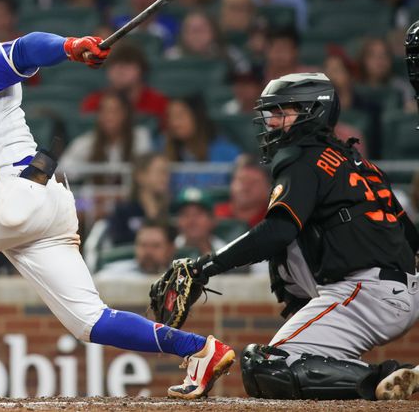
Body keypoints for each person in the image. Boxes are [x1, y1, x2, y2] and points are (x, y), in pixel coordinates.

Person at [0, 0, 234, 398]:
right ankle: (201, 350)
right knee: (90, 322)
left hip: (11, 188)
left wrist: (69, 46)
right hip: (41, 202)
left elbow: (27, 48)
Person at [177, 72, 419, 401]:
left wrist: (206, 267)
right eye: (272, 113)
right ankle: (378, 377)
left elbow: (277, 231)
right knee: (304, 362)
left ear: (313, 112)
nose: (272, 122)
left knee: (266, 366)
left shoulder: (305, 157)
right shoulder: (361, 164)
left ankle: (385, 377)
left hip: (363, 292)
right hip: (397, 289)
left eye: (283, 112)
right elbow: (410, 235)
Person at [59, 90, 153, 184]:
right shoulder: (87, 142)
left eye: (114, 111)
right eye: (104, 111)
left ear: (126, 114)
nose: (109, 116)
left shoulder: (139, 137)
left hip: (128, 196)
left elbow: (145, 172)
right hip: (93, 196)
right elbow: (62, 172)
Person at [80, 41, 168, 125]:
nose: (119, 70)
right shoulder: (94, 103)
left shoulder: (157, 103)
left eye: (127, 63)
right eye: (113, 64)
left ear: (141, 69)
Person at [163, 97, 241, 191]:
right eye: (170, 116)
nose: (174, 123)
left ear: (197, 116)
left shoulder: (225, 152)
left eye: (180, 115)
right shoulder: (164, 153)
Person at [106, 153, 171, 246]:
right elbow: (117, 242)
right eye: (160, 172)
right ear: (140, 176)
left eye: (167, 173)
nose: (165, 178)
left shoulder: (173, 210)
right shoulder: (123, 211)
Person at [96, 222, 176, 278]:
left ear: (170, 249)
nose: (148, 251)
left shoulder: (180, 277)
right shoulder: (114, 275)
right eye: (143, 245)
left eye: (155, 246)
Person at [357, 37, 416, 112]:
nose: (380, 60)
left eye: (385, 55)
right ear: (363, 59)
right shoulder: (354, 89)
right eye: (373, 55)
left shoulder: (403, 89)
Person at [214, 157, 271, 228]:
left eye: (253, 182)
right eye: (241, 180)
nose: (245, 188)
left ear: (268, 187)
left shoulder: (275, 218)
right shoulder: (214, 215)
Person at [173, 187, 222, 257]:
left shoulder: (224, 251)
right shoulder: (168, 251)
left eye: (198, 214)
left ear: (212, 220)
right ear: (178, 222)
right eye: (185, 214)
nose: (192, 220)